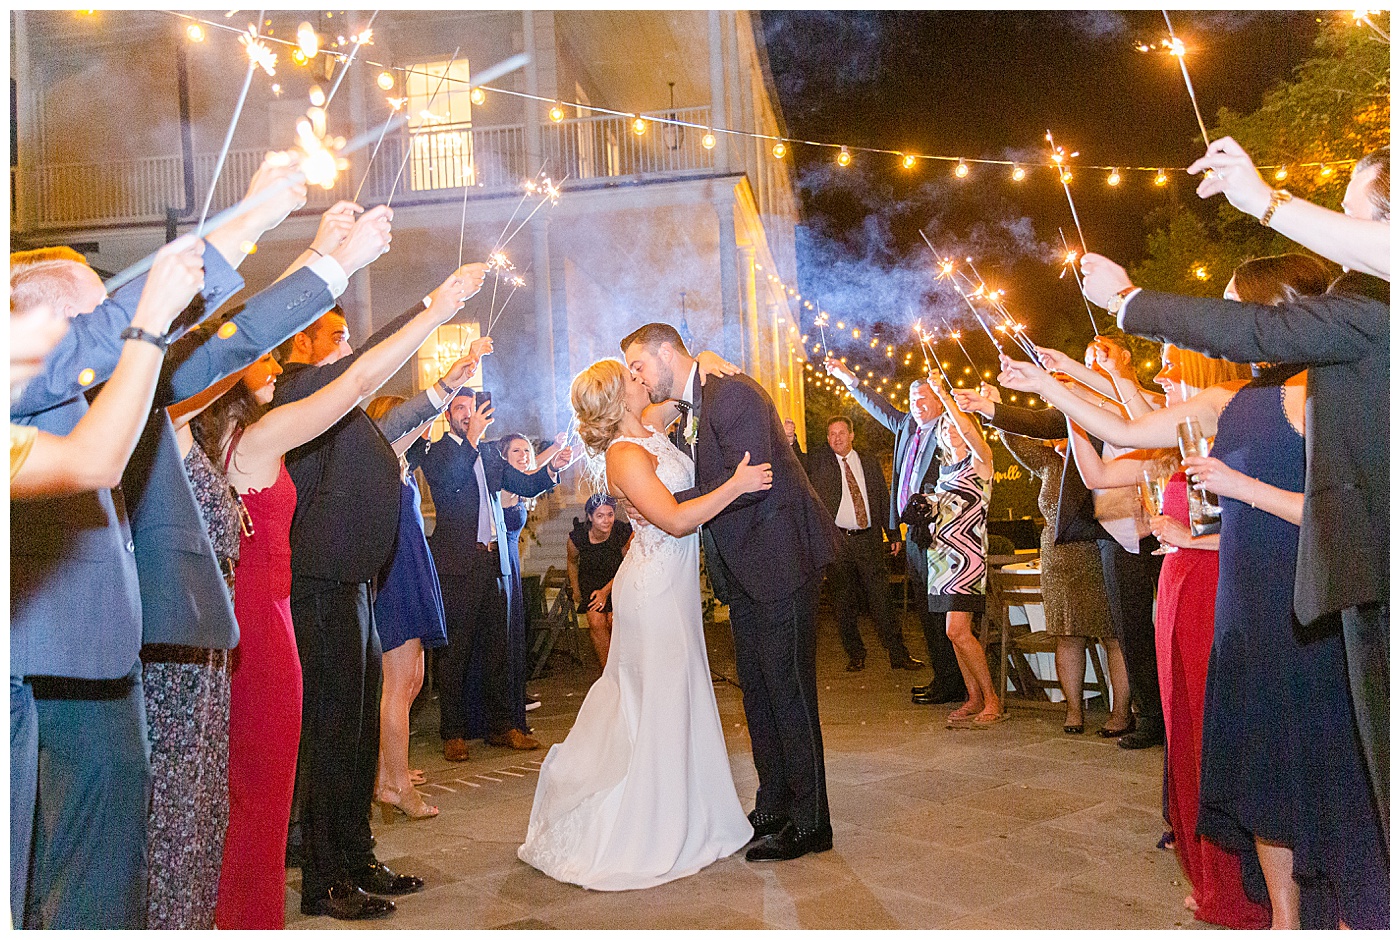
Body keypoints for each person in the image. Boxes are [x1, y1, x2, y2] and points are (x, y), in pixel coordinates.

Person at [1001, 257, 1388, 928]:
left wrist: (1244, 490)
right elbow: (1124, 430)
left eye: (1238, 307)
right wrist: (1049, 385)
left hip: (1308, 608)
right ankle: (1283, 921)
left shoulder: (1336, 393)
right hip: (1243, 608)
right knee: (1262, 771)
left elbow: (1347, 516)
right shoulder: (1228, 401)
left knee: (1321, 773)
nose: (1230, 320)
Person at [9, 155, 324, 928]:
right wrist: (151, 317)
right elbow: (93, 457)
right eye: (95, 319)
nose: (109, 331)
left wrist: (320, 263)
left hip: (103, 661)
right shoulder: (36, 388)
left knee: (101, 880)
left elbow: (227, 344)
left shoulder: (106, 386)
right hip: (42, 660)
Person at [1082, 145, 1390, 837]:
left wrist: (1131, 300)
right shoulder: (1365, 313)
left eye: (1350, 214)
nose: (1337, 233)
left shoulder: (1369, 312)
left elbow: (1251, 329)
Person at [273, 265, 489, 920]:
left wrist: (450, 381)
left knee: (358, 731)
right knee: (329, 733)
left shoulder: (348, 412)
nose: (346, 350)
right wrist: (435, 304)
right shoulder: (296, 395)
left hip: (357, 586)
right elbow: (366, 372)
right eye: (334, 339)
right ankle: (323, 877)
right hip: (317, 583)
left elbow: (401, 419)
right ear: (302, 347)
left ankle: (358, 856)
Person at [518, 358, 772, 889]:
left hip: (670, 587)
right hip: (654, 591)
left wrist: (707, 365)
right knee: (657, 700)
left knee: (678, 694)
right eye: (632, 378)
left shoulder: (649, 428)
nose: (642, 379)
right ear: (618, 398)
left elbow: (680, 395)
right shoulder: (626, 454)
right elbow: (677, 521)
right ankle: (651, 825)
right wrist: (737, 484)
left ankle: (693, 811)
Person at [622, 323, 839, 862]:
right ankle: (773, 804)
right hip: (746, 573)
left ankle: (811, 823)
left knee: (788, 692)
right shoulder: (698, 400)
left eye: (639, 366)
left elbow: (749, 481)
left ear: (667, 352)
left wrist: (662, 505)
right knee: (759, 692)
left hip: (781, 562)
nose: (637, 377)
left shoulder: (732, 394)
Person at [957, 337, 1165, 748]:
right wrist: (989, 409)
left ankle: (1185, 711)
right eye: (1086, 360)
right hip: (1116, 532)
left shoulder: (1149, 401)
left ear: (1125, 359)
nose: (1092, 365)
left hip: (1166, 522)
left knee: (1173, 624)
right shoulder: (1084, 411)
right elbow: (1046, 424)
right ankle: (1153, 717)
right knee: (1132, 630)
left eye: (1101, 357)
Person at [409, 393, 569, 762]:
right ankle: (454, 732)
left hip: (496, 562)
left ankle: (503, 726)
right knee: (456, 652)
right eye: (460, 409)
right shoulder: (438, 453)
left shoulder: (489, 455)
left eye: (473, 408)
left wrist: (552, 469)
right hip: (459, 564)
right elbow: (452, 483)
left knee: (499, 648)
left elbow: (523, 485)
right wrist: (471, 440)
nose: (468, 415)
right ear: (448, 415)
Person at [827, 360, 967, 706]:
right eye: (912, 399)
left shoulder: (948, 428)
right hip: (915, 532)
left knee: (942, 610)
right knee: (925, 610)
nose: (917, 405)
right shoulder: (908, 426)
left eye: (924, 399)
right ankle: (944, 679)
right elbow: (880, 407)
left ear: (938, 401)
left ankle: (958, 681)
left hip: (942, 530)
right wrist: (850, 379)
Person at [996, 428, 1128, 735]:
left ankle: (1120, 713)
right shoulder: (1049, 463)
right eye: (1056, 434)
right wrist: (995, 406)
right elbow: (1011, 437)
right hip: (1059, 560)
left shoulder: (1106, 459)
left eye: (1067, 434)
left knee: (1113, 636)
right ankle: (1073, 710)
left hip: (1102, 551)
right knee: (1067, 634)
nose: (1059, 441)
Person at [365, 395, 449, 823]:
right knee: (397, 686)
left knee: (411, 681)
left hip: (411, 573)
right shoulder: (381, 458)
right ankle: (397, 786)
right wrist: (444, 393)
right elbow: (413, 428)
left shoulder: (400, 468)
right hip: (396, 577)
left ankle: (386, 772)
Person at [806, 416, 922, 672]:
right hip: (837, 541)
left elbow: (882, 499)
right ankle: (855, 653)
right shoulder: (820, 463)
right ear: (827, 439)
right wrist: (790, 440)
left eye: (841, 433)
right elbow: (796, 461)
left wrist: (892, 534)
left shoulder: (868, 463)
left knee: (881, 599)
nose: (836, 438)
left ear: (851, 435)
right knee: (843, 602)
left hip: (868, 540)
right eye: (831, 434)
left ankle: (898, 653)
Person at [918, 380, 999, 726]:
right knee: (952, 633)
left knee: (958, 630)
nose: (952, 431)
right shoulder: (944, 471)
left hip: (968, 558)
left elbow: (968, 427)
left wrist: (946, 397)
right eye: (946, 427)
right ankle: (974, 697)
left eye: (956, 425)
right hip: (940, 557)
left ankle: (992, 699)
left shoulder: (981, 462)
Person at [496, 432, 563, 719]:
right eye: (516, 452)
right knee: (506, 631)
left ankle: (513, 693)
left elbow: (535, 470)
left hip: (513, 560)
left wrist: (556, 450)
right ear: (503, 458)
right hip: (500, 563)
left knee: (515, 631)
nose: (523, 456)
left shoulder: (521, 482)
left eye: (526, 451)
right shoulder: (505, 485)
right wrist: (553, 452)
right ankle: (507, 699)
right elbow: (533, 473)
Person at [567, 493, 634, 669]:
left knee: (614, 620)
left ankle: (624, 667)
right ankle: (608, 671)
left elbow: (628, 565)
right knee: (596, 621)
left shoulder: (621, 532)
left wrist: (606, 591)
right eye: (600, 516)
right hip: (591, 581)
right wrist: (576, 590)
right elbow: (572, 562)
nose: (606, 520)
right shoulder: (578, 537)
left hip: (618, 580)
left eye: (610, 514)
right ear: (590, 517)